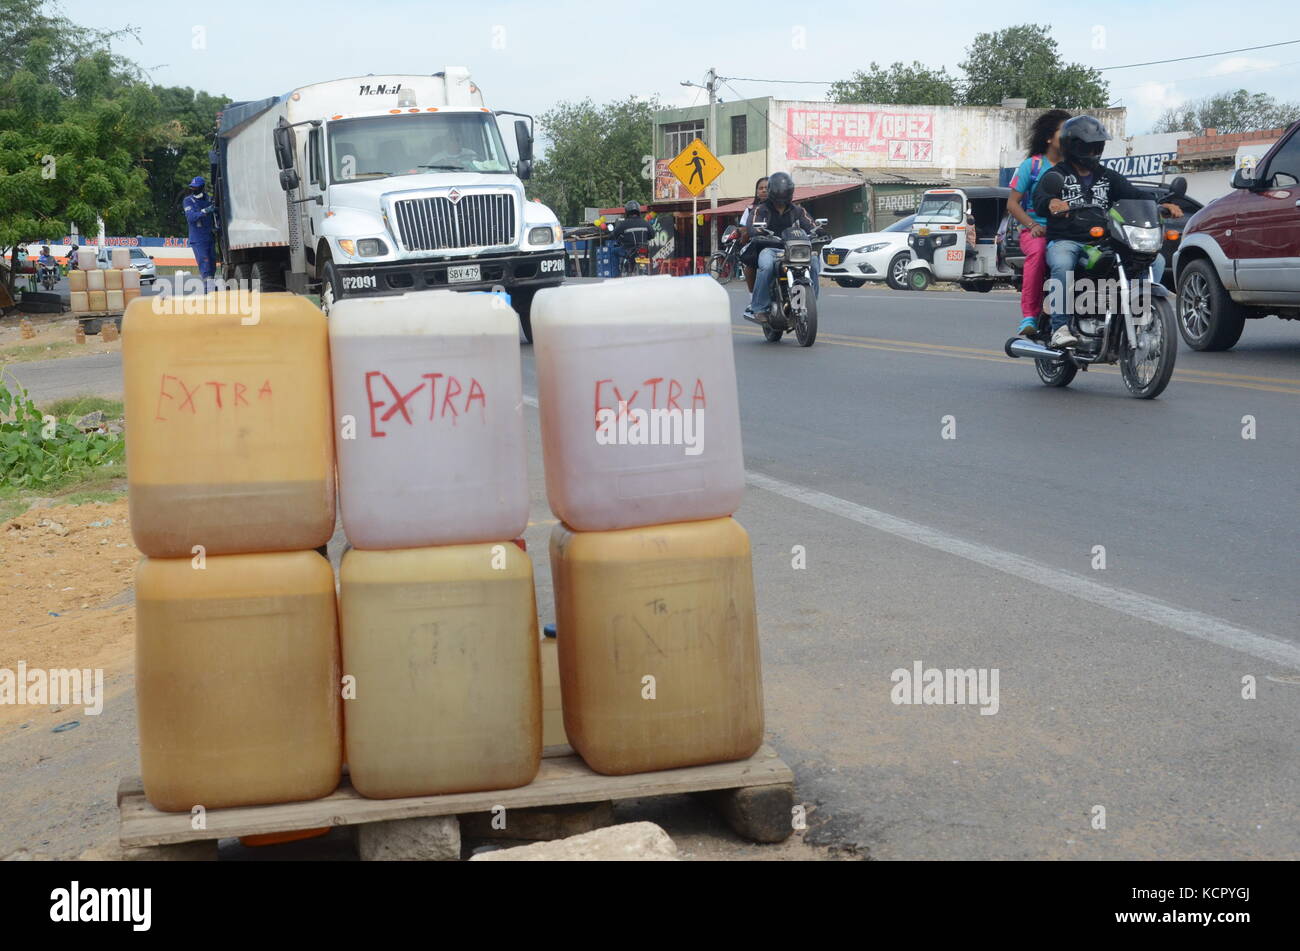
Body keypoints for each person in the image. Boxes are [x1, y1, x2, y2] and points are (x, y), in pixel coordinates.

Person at [1035, 116, 1184, 350]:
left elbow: (1134, 195)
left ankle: (1138, 316)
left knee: (1155, 261)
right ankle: (1059, 328)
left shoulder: (1108, 176)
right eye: (1089, 146)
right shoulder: (1057, 174)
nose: (1094, 151)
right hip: (1068, 240)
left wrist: (1162, 206)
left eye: (1098, 146)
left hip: (1104, 241)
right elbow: (1041, 199)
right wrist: (1053, 202)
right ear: (1073, 147)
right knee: (1062, 265)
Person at [1007, 109, 1070, 336]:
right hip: (1037, 231)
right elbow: (1013, 204)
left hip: (1068, 231)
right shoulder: (1031, 166)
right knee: (1038, 252)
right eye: (1064, 130)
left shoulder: (1076, 166)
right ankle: (1029, 316)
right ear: (1049, 138)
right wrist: (1033, 226)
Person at [744, 171, 822, 320]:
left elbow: (810, 224)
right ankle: (759, 307)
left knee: (813, 261)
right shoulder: (760, 210)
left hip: (794, 250)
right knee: (766, 265)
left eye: (784, 194)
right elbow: (752, 226)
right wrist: (757, 231)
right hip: (770, 249)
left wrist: (820, 232)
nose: (782, 198)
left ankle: (811, 303)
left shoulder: (798, 210)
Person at [183, 175, 217, 281]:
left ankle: (211, 292)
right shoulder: (188, 201)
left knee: (212, 267)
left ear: (202, 187)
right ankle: (209, 291)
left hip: (210, 238)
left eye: (196, 187)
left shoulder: (209, 199)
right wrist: (204, 211)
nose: (194, 189)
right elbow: (191, 217)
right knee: (205, 267)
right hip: (198, 240)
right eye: (192, 187)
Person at [738, 176, 768, 292]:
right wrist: (744, 232)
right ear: (756, 192)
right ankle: (753, 297)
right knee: (750, 264)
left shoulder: (781, 207)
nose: (764, 190)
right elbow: (743, 229)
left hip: (780, 244)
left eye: (767, 187)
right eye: (761, 188)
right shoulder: (750, 209)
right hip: (757, 244)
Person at [609, 201, 653, 272]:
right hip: (643, 249)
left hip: (629, 249)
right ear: (638, 211)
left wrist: (611, 236)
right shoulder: (645, 223)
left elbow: (614, 234)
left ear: (627, 211)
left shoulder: (624, 224)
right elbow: (652, 235)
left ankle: (615, 275)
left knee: (613, 252)